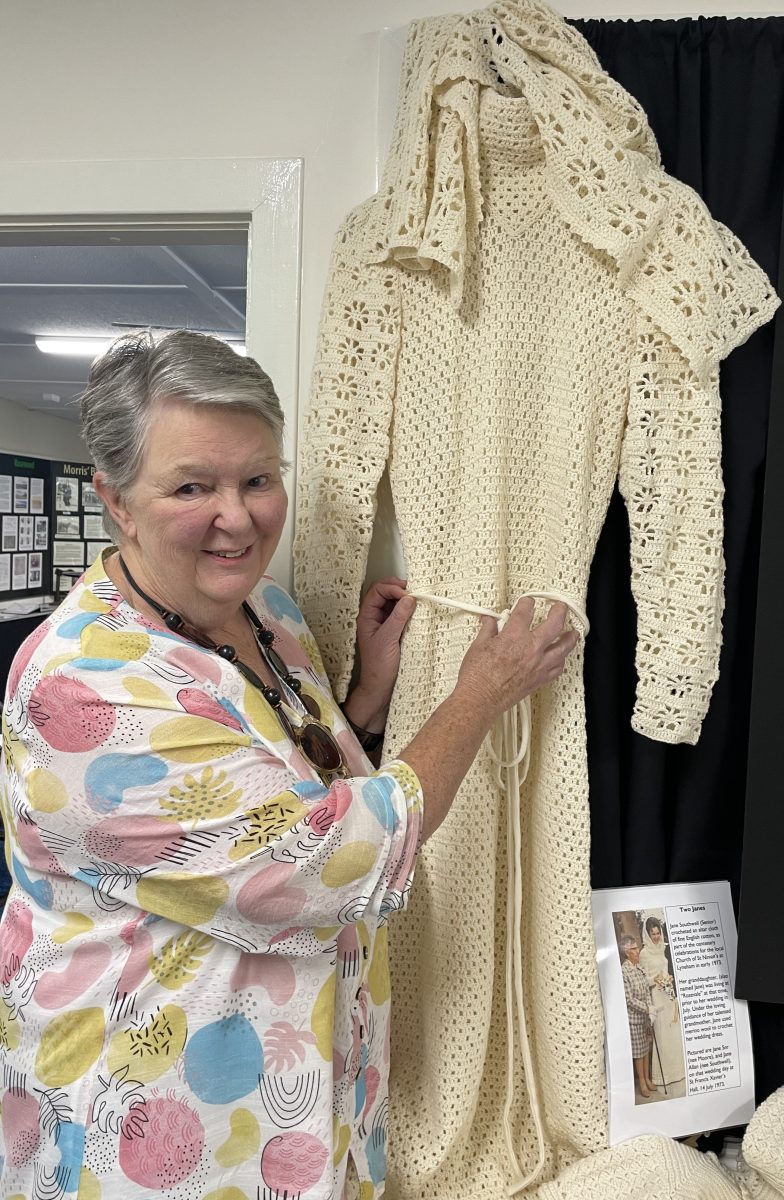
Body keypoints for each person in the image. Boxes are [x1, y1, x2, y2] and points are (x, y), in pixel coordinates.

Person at [0, 330, 579, 1198]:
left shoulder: (261, 609)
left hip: (302, 1102)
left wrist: (370, 703)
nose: (238, 516)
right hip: (150, 1131)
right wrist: (477, 700)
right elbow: (320, 865)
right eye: (193, 486)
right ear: (115, 500)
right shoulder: (82, 690)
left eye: (258, 480)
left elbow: (273, 780)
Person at [639, 915, 685, 1090]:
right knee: (662, 1035)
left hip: (668, 993)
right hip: (656, 996)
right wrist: (655, 979)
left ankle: (678, 1071)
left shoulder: (661, 949)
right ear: (647, 934)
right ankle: (663, 1075)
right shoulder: (644, 953)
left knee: (673, 1032)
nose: (656, 936)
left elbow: (666, 970)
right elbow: (644, 980)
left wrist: (668, 981)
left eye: (658, 933)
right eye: (653, 933)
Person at [620, 933, 655, 1098]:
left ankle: (647, 1079)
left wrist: (650, 1007)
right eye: (634, 949)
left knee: (646, 1049)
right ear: (627, 952)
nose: (637, 950)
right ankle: (641, 1082)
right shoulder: (624, 971)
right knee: (639, 1052)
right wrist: (645, 1008)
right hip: (634, 1018)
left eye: (636, 947)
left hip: (645, 1017)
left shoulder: (639, 967)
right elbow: (628, 999)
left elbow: (647, 989)